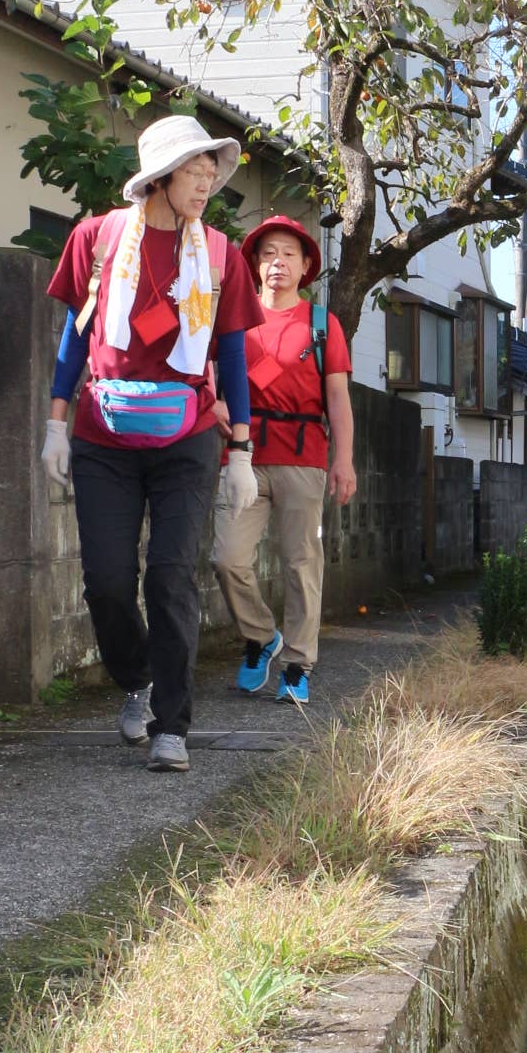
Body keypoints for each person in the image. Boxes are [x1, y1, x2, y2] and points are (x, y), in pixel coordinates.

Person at [42, 115, 262, 773]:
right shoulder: (98, 239)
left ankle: (173, 724)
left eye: (211, 172)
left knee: (170, 577)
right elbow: (74, 339)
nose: (207, 183)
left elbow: (231, 352)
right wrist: (56, 423)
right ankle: (137, 681)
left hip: (188, 435)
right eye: (194, 172)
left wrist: (243, 450)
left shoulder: (220, 254)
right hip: (102, 436)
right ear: (160, 178)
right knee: (107, 584)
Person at [212, 215, 356, 704]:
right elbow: (208, 381)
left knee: (302, 563)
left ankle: (297, 663)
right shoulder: (231, 317)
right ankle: (260, 637)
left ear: (306, 265)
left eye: (289, 254)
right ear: (254, 264)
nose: (278, 262)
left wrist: (345, 459)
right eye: (269, 253)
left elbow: (337, 398)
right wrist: (218, 411)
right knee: (227, 558)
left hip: (304, 459)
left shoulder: (322, 324)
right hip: (241, 456)